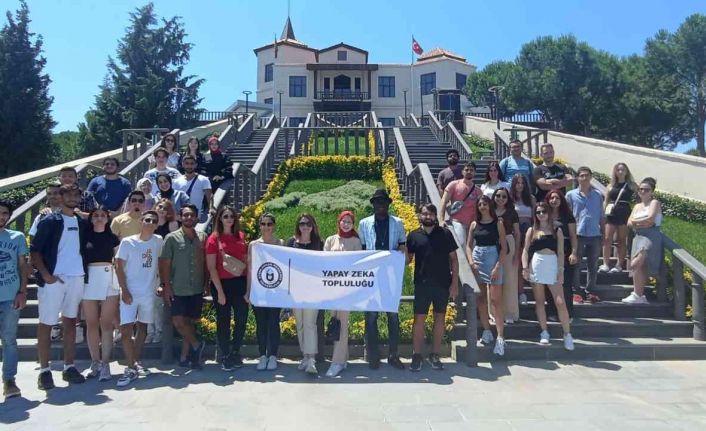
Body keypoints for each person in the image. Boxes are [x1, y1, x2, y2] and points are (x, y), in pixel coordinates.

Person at [30, 184, 88, 390]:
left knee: (71, 322)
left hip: (76, 277)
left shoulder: (81, 222)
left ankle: (69, 366)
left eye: (76, 194)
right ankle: (44, 371)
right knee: (46, 323)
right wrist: (46, 275)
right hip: (54, 279)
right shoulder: (49, 221)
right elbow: (35, 250)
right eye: (68, 194)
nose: (72, 198)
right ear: (61, 197)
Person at [358, 189, 407, 370]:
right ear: (373, 204)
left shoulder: (397, 223)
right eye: (377, 202)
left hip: (390, 274)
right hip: (372, 275)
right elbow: (362, 249)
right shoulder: (364, 224)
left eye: (383, 202)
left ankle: (394, 354)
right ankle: (373, 355)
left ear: (388, 204)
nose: (380, 205)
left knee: (392, 316)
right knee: (371, 316)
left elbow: (402, 245)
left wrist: (400, 257)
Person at [406, 204, 458, 372]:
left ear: (435, 216)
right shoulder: (413, 235)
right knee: (419, 320)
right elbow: (408, 259)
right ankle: (417, 355)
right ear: (419, 215)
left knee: (439, 318)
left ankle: (435, 354)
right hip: (422, 284)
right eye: (424, 214)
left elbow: (454, 259)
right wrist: (396, 252)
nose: (427, 216)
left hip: (442, 284)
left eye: (431, 214)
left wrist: (454, 283)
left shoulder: (445, 234)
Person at [115, 210, 163, 386]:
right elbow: (119, 266)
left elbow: (161, 263)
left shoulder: (158, 241)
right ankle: (130, 368)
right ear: (141, 221)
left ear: (157, 225)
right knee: (126, 330)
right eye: (147, 219)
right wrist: (124, 290)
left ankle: (134, 363)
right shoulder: (128, 242)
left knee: (142, 329)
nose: (150, 222)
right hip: (129, 293)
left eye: (154, 221)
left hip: (148, 294)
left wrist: (160, 283)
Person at [159, 204, 208, 369]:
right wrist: (166, 286)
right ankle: (197, 344)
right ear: (180, 217)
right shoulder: (171, 238)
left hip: (196, 287)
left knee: (189, 323)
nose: (189, 218)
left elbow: (205, 263)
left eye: (192, 215)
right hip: (177, 288)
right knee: (178, 322)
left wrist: (206, 284)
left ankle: (185, 357)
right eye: (185, 215)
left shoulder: (203, 237)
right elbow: (164, 264)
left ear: (196, 218)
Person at [522, 201, 574, 350]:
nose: (541, 214)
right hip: (537, 264)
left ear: (548, 213)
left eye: (543, 211)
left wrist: (561, 270)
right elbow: (525, 250)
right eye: (538, 212)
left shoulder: (557, 229)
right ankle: (544, 331)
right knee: (540, 301)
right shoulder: (532, 230)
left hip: (552, 264)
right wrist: (525, 268)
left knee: (560, 302)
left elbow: (561, 252)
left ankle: (567, 334)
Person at [205, 206, 249, 371]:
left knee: (241, 318)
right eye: (225, 216)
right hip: (221, 284)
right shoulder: (213, 239)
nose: (229, 219)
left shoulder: (241, 236)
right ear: (220, 219)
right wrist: (220, 292)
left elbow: (245, 261)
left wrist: (248, 288)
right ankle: (225, 354)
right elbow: (212, 268)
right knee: (223, 321)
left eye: (231, 216)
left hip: (240, 282)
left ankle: (236, 351)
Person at [81, 206, 120, 382]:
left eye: (102, 215)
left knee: (106, 324)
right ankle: (95, 362)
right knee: (91, 323)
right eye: (95, 215)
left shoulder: (112, 238)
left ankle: (105, 363)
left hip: (108, 279)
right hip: (89, 280)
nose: (99, 218)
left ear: (107, 218)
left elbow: (118, 260)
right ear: (91, 218)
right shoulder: (84, 237)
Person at [322, 210, 362, 377]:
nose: (346, 224)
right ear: (339, 222)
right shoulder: (331, 240)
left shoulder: (356, 242)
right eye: (343, 221)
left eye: (349, 222)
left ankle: (336, 362)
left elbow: (358, 265)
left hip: (347, 290)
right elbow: (323, 262)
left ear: (353, 224)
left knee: (342, 324)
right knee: (335, 323)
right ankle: (343, 358)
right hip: (332, 288)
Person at [467, 195, 507, 356]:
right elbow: (468, 245)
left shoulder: (498, 223)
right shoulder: (474, 224)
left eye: (485, 204)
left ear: (489, 205)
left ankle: (500, 336)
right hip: (478, 258)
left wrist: (498, 266)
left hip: (493, 258)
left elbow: (504, 247)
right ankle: (486, 330)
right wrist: (471, 262)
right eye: (480, 204)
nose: (482, 207)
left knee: (496, 300)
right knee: (481, 298)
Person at [287, 213, 324, 375]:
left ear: (313, 226)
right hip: (296, 290)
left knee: (310, 324)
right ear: (298, 226)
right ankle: (305, 355)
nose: (305, 227)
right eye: (302, 223)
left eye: (308, 224)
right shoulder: (291, 242)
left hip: (313, 290)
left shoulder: (319, 243)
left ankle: (311, 359)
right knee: (300, 324)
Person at [0, 200, 30, 398]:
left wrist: (23, 291)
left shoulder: (17, 237)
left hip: (10, 295)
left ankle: (9, 380)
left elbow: (22, 266)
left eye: (4, 213)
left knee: (9, 339)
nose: (1, 216)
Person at [247, 213, 284, 371]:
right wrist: (248, 291)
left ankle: (273, 355)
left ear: (273, 226)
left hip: (275, 290)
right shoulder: (253, 245)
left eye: (269, 224)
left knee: (274, 322)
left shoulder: (280, 243)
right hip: (259, 290)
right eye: (263, 224)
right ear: (260, 226)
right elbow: (250, 269)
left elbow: (284, 267)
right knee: (261, 323)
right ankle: (262, 355)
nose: (266, 227)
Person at [566, 167, 604, 303]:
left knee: (593, 265)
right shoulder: (570, 195)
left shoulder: (598, 195)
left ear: (591, 177)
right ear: (577, 178)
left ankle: (590, 291)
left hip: (595, 234)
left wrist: (603, 233)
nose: (584, 178)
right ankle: (576, 291)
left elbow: (601, 215)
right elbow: (567, 215)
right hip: (578, 234)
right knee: (576, 264)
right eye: (581, 175)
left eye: (587, 175)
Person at [623, 177, 663, 305]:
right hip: (638, 236)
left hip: (651, 236)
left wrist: (636, 222)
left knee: (635, 263)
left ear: (652, 191)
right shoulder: (637, 206)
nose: (643, 191)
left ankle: (638, 294)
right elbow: (629, 223)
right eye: (641, 189)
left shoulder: (654, 203)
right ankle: (638, 295)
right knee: (640, 266)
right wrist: (640, 223)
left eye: (646, 189)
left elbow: (651, 219)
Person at [147, 199, 180, 345]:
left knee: (159, 303)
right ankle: (150, 331)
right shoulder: (149, 223)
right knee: (149, 302)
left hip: (164, 267)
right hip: (149, 267)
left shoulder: (172, 225)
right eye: (160, 206)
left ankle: (159, 332)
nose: (162, 210)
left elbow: (175, 247)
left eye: (165, 209)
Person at [545, 190, 579, 317]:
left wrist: (574, 253)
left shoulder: (567, 216)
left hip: (565, 251)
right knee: (549, 283)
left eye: (557, 198)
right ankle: (552, 312)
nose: (554, 200)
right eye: (551, 198)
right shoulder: (544, 214)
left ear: (561, 200)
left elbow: (573, 236)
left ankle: (567, 313)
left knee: (565, 283)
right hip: (548, 252)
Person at [600, 163, 637, 274]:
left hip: (624, 212)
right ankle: (605, 263)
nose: (620, 172)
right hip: (611, 212)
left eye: (623, 170)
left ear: (626, 172)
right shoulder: (611, 185)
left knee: (621, 240)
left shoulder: (631, 185)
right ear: (615, 172)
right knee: (607, 239)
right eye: (618, 170)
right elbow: (606, 200)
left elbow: (640, 196)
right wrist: (603, 213)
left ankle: (619, 264)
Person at [491, 188, 521, 323]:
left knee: (509, 279)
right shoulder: (490, 211)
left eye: (504, 196)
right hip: (492, 244)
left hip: (509, 243)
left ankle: (510, 313)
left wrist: (517, 253)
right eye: (498, 195)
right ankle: (494, 313)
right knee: (494, 279)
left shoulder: (512, 212)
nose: (500, 198)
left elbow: (517, 233)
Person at [439, 162, 483, 249]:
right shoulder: (454, 185)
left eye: (471, 170)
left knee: (472, 246)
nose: (469, 172)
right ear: (462, 172)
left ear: (475, 173)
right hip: (457, 221)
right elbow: (443, 201)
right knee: (461, 243)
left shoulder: (478, 190)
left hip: (472, 222)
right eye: (467, 170)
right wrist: (441, 220)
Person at [510, 173, 536, 305]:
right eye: (517, 183)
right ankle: (520, 292)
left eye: (522, 183)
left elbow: (535, 217)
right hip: (514, 232)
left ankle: (531, 292)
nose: (520, 185)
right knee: (518, 264)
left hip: (528, 232)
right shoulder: (509, 198)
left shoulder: (531, 198)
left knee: (529, 263)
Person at [173, 155, 213, 222]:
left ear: (196, 165)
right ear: (183, 164)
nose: (189, 166)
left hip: (196, 217)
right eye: (187, 163)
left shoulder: (204, 180)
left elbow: (209, 195)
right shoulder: (176, 181)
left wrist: (211, 208)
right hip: (180, 217)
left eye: (192, 163)